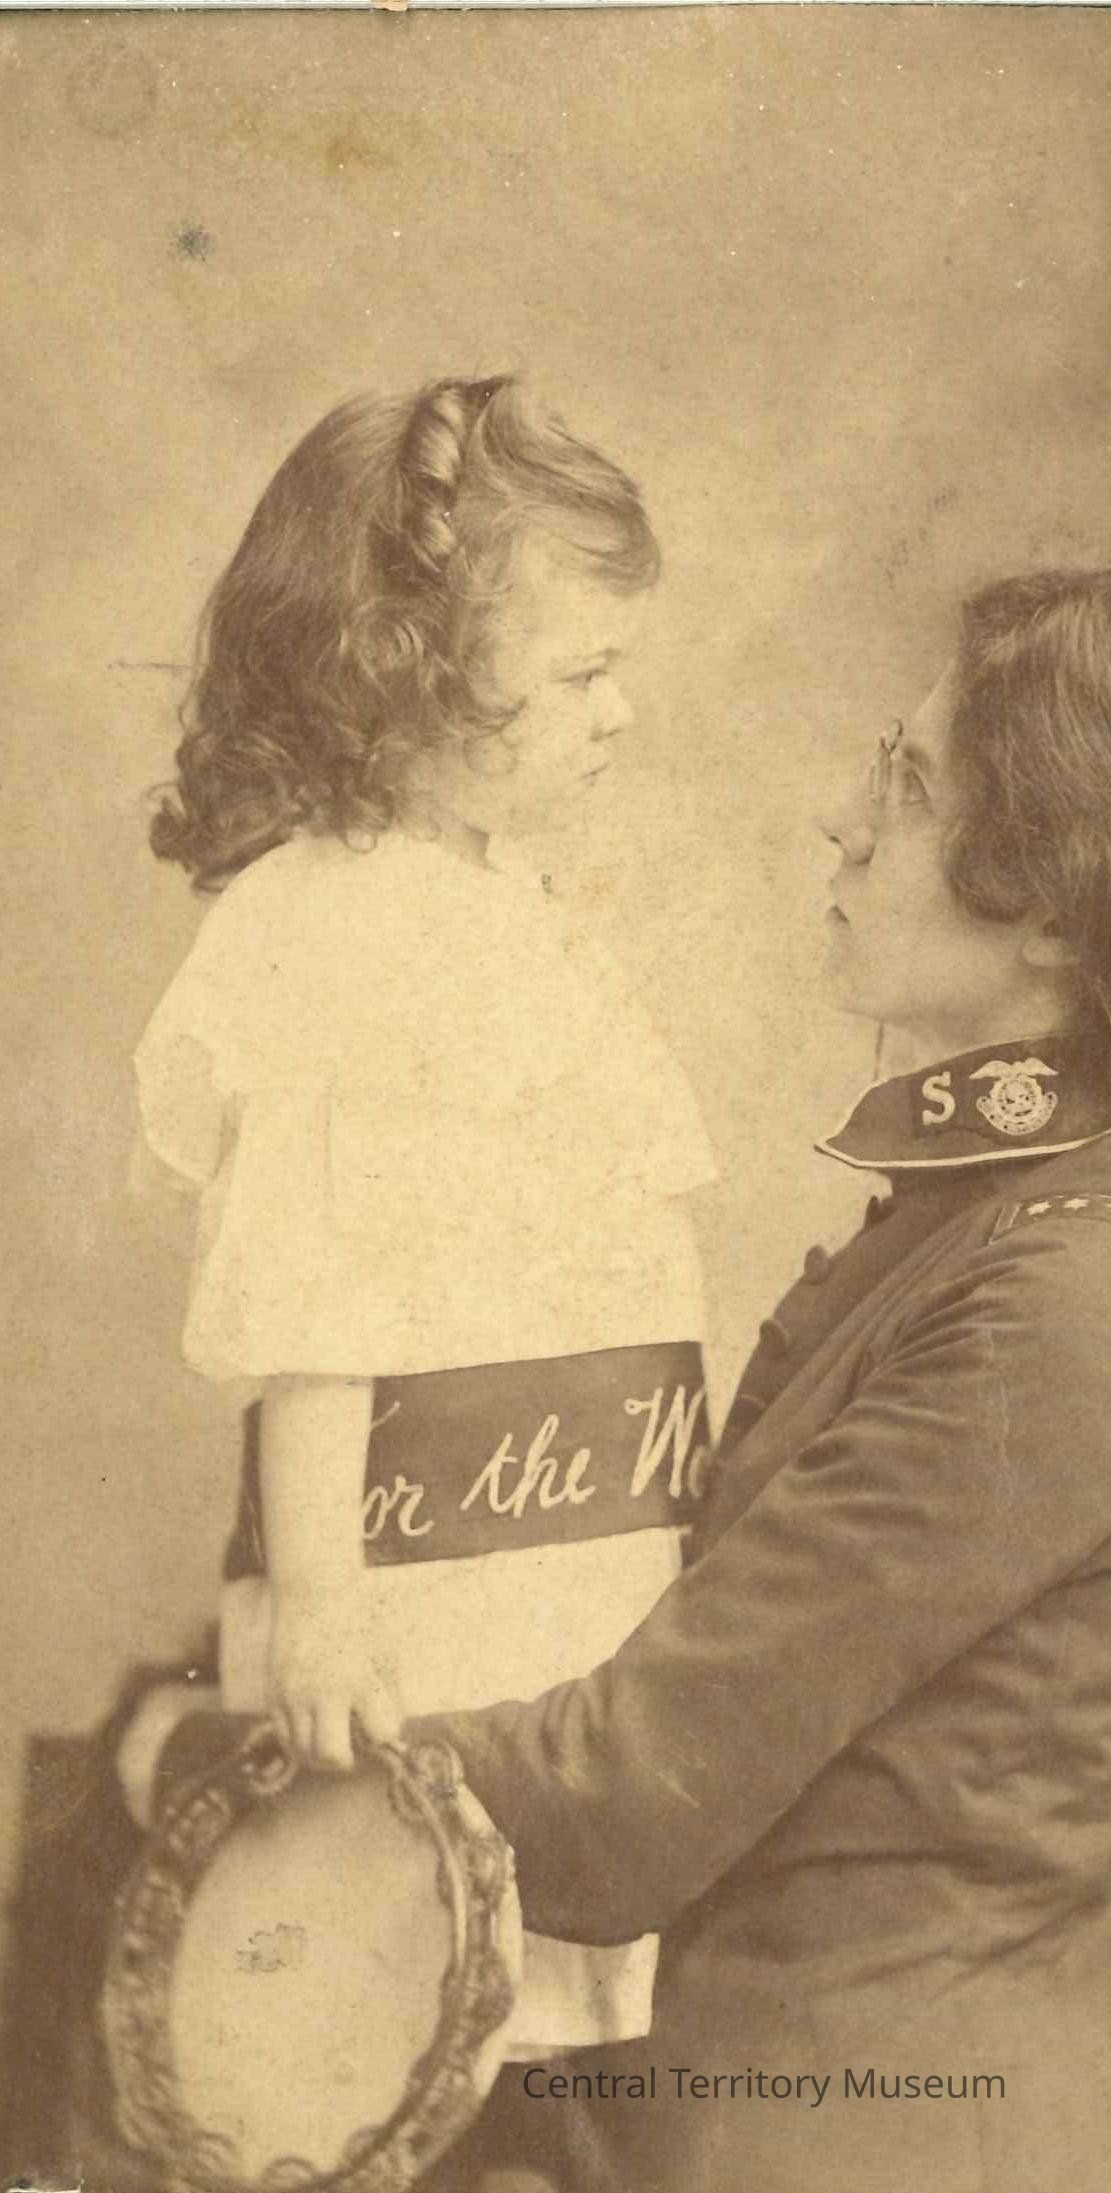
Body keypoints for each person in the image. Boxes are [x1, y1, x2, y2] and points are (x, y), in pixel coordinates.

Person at [404, 556, 1111, 2193]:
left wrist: (242, 1752)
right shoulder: (1014, 1219)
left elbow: (618, 1803)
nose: (839, 820)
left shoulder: (1076, 1297)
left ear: (1060, 909)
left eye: (905, 784)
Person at [128, 375, 716, 2069]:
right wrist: (322, 1598)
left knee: (549, 1958)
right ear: (409, 679)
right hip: (419, 1571)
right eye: (579, 675)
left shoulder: (488, 898)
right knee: (416, 1975)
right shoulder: (347, 929)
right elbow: (316, 1290)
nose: (619, 712)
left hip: (559, 1537)